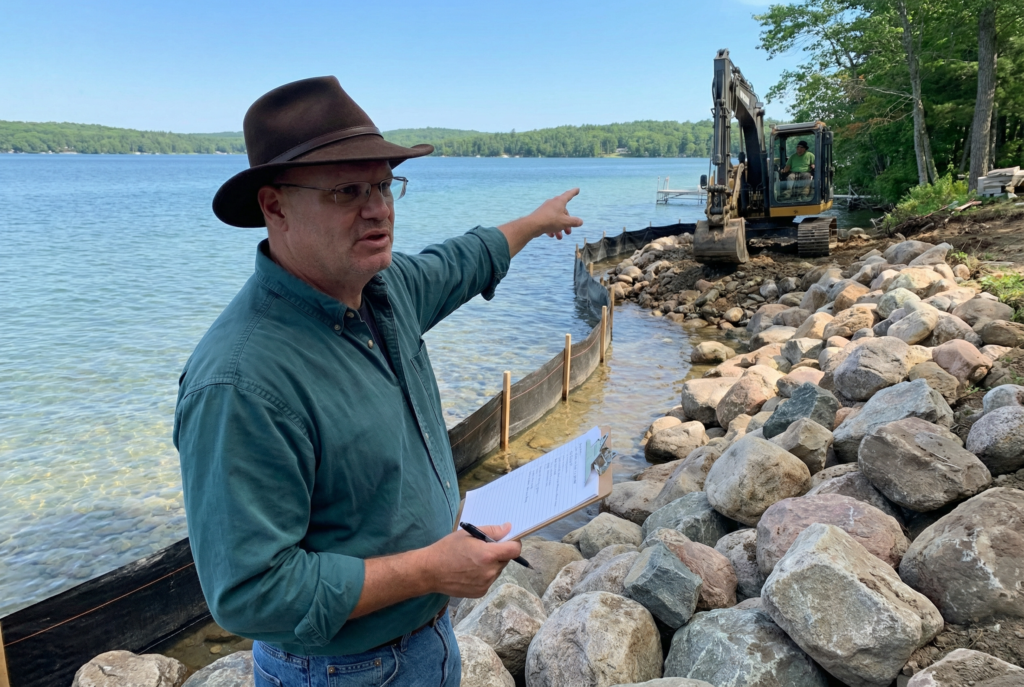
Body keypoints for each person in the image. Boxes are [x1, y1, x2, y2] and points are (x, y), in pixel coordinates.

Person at [173, 76, 583, 687]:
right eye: (346, 191)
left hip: (425, 641)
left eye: (384, 186)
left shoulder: (382, 292)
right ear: (274, 206)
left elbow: (463, 260)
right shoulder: (240, 380)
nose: (378, 208)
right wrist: (430, 570)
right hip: (340, 671)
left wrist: (533, 222)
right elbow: (250, 593)